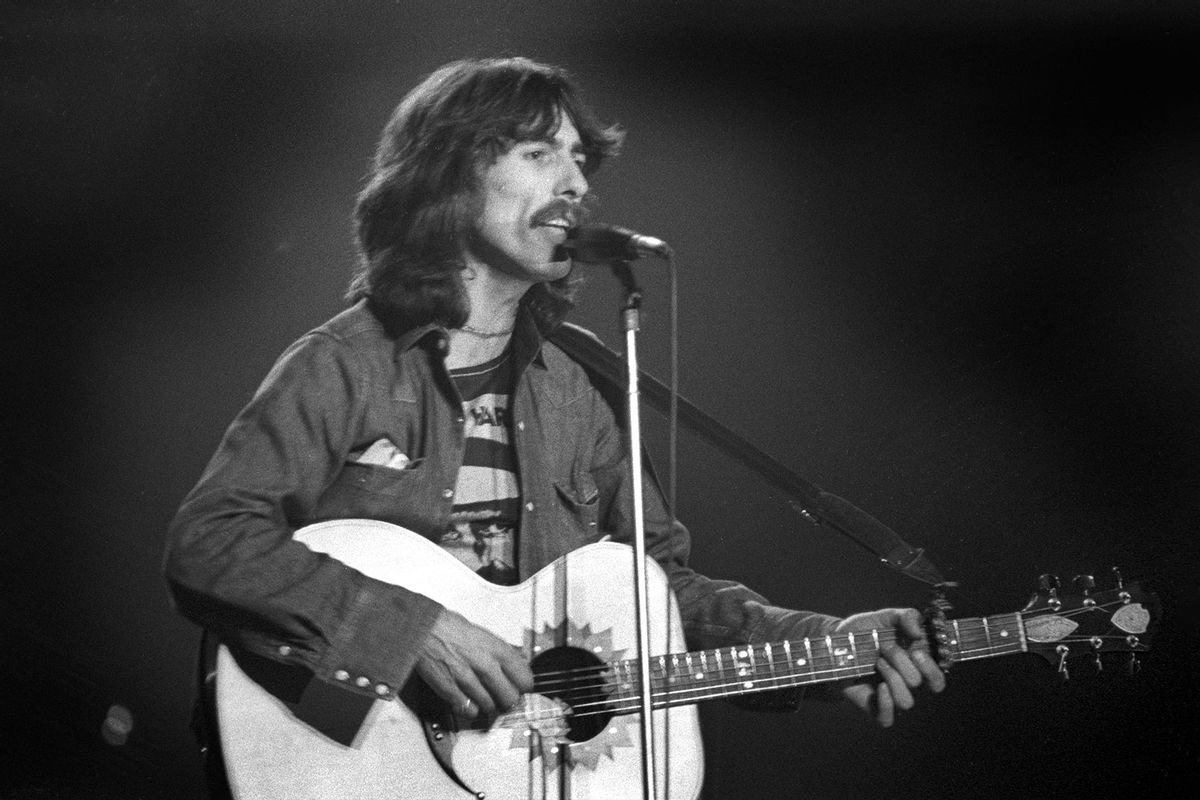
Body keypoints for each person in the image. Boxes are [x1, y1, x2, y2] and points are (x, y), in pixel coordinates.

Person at [163, 55, 943, 785]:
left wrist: (823, 644)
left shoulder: (581, 381)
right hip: (353, 765)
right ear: (448, 176)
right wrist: (416, 632)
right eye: (539, 153)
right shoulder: (346, 364)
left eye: (579, 160)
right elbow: (211, 543)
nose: (575, 183)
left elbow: (657, 596)